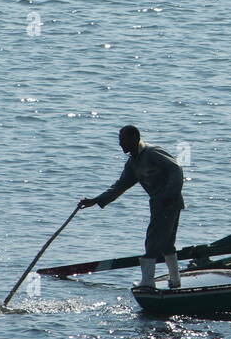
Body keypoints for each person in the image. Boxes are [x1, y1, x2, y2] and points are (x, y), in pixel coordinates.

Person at [79, 125, 185, 291]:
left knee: (152, 241)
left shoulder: (152, 152)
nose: (120, 144)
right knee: (167, 244)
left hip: (168, 202)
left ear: (134, 138)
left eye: (123, 140)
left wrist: (169, 195)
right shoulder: (132, 164)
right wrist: (96, 200)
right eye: (120, 140)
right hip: (158, 204)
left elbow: (176, 169)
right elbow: (120, 186)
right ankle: (175, 280)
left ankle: (148, 282)